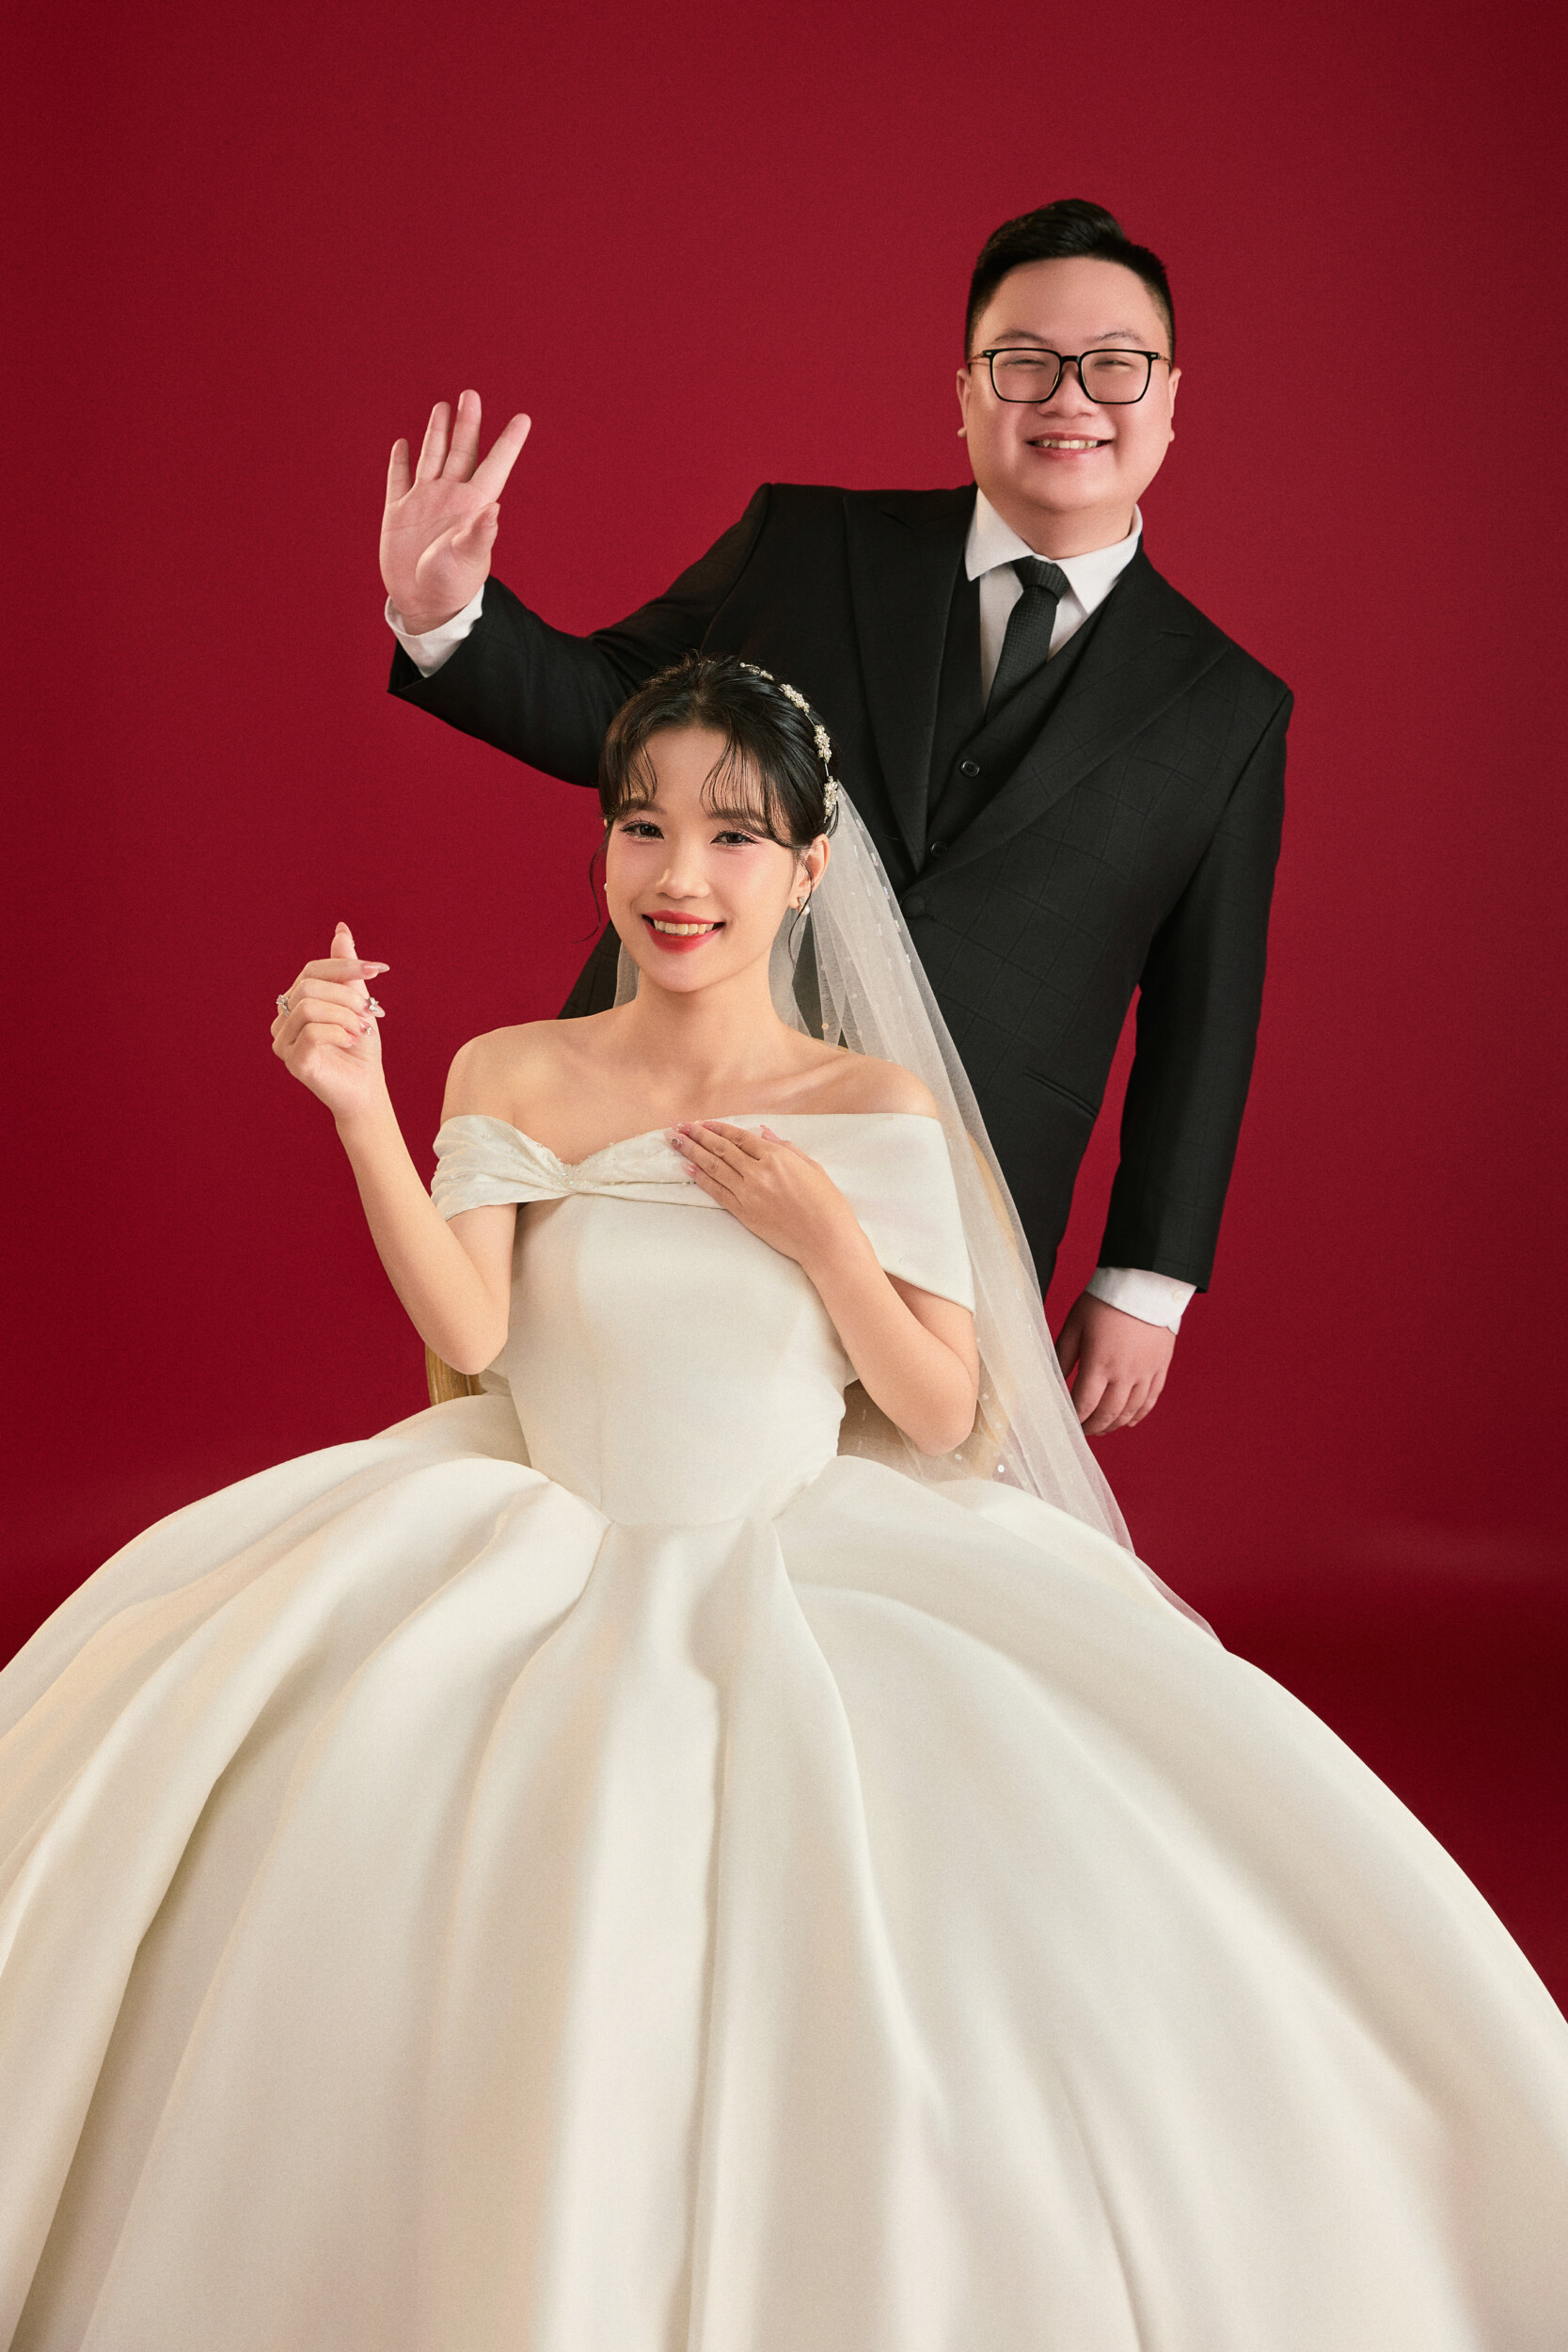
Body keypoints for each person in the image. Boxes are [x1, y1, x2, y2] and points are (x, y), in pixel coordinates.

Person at [3, 657, 1565, 2350]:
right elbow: (474, 1339)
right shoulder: (514, 1069)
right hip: (540, 1531)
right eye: (644, 827)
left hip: (798, 1551)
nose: (681, 876)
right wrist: (363, 1108)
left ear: (810, 868)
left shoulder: (870, 1107)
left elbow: (945, 1410)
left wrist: (827, 1238)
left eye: (736, 837)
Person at [380, 198, 1291, 1440]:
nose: (1070, 398)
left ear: (1171, 397)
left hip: (955, 1195)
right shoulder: (810, 544)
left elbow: (1205, 1009)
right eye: (1023, 361)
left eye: (1115, 365)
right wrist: (447, 612)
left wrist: (1148, 1277)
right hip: (659, 1137)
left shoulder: (1228, 706)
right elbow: (611, 711)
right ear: (964, 391)